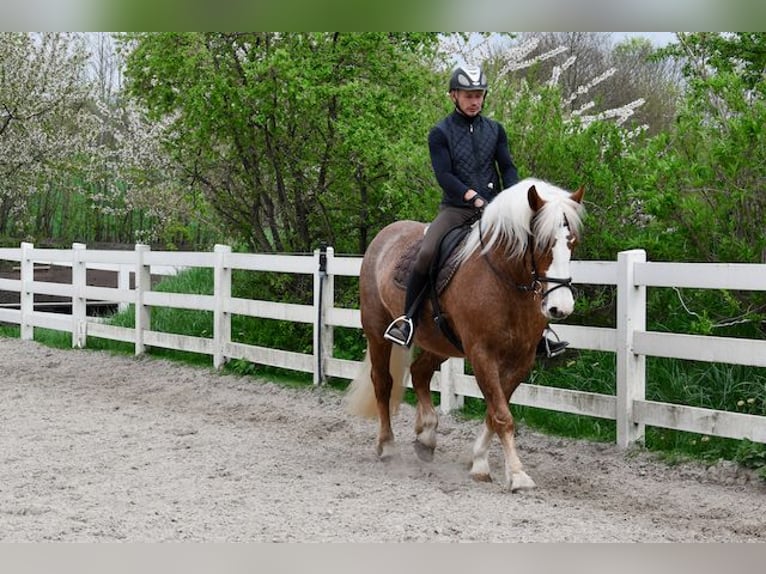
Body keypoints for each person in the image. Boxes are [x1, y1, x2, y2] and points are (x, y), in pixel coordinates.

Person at [383, 65, 569, 358]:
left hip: (496, 210)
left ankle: (541, 333)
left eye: (479, 95)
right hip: (456, 209)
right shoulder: (440, 133)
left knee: (529, 255)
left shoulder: (495, 130)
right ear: (453, 96)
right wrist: (473, 198)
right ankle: (406, 320)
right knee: (427, 252)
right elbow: (444, 175)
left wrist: (513, 197)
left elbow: (507, 166)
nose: (475, 101)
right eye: (469, 95)